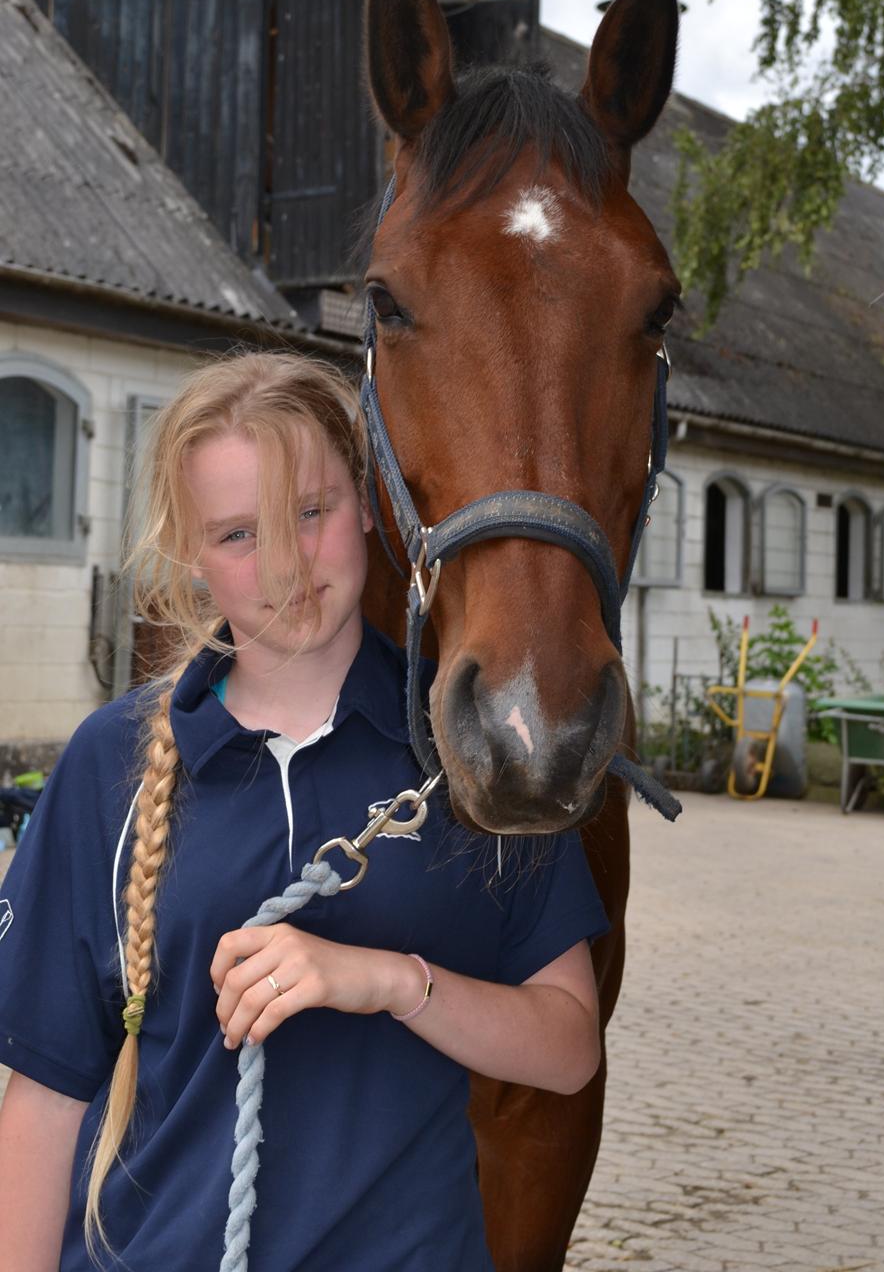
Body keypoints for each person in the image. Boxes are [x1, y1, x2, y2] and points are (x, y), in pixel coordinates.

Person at [0, 351, 608, 1272]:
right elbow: (44, 1096)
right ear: (192, 558)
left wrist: (394, 982)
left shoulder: (468, 754)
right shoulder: (107, 766)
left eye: (311, 513)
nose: (284, 563)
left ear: (369, 507)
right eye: (239, 534)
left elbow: (568, 1049)